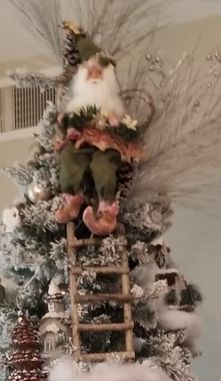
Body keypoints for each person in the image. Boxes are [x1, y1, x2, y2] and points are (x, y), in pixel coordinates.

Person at [54, 26, 142, 236]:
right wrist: (69, 126)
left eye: (98, 73)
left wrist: (115, 124)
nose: (94, 76)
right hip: (81, 143)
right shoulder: (79, 104)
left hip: (106, 146)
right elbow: (70, 123)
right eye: (90, 73)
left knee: (103, 166)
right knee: (68, 156)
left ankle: (107, 212)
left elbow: (126, 129)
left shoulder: (112, 104)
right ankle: (73, 199)